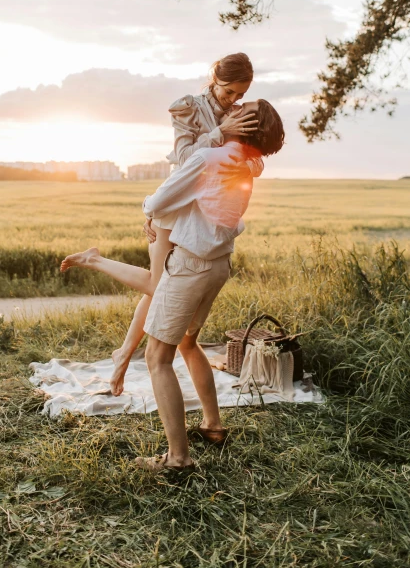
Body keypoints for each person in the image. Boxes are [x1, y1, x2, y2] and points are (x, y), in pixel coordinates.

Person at [61, 99, 285, 472]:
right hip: (218, 266)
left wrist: (149, 209)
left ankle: (178, 459)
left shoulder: (208, 159)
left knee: (157, 358)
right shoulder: (247, 165)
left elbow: (161, 198)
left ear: (241, 122)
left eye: (239, 108)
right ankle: (212, 424)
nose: (231, 108)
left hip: (190, 267)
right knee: (186, 342)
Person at [65, 53, 262, 397]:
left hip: (202, 215)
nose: (234, 100)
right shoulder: (188, 108)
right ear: (215, 78)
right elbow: (186, 159)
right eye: (229, 91)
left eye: (240, 94)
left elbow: (257, 158)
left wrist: (247, 168)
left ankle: (123, 352)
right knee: (159, 286)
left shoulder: (241, 113)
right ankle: (95, 265)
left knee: (161, 286)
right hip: (175, 206)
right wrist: (220, 133)